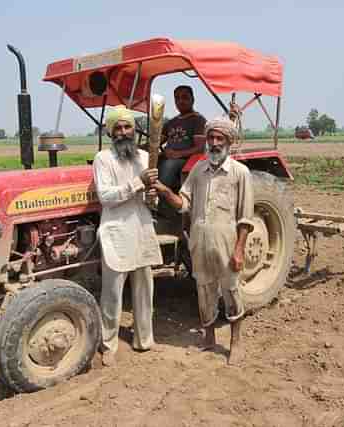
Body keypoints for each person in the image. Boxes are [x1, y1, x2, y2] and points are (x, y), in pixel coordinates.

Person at [153, 116, 254, 365]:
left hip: (227, 243)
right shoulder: (198, 170)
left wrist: (239, 251)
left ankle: (236, 343)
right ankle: (208, 337)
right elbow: (184, 203)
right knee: (204, 290)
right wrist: (165, 191)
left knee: (230, 291)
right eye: (211, 138)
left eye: (220, 138)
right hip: (200, 241)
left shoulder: (240, 173)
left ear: (229, 142)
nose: (214, 142)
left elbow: (246, 218)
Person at [93, 105, 163, 367]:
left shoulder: (145, 157)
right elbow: (106, 197)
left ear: (134, 130)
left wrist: (151, 195)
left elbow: (147, 199)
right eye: (118, 128)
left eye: (127, 127)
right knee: (112, 293)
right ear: (111, 133)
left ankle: (144, 339)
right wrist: (138, 183)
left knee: (145, 287)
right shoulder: (103, 159)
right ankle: (108, 344)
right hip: (116, 230)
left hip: (141, 226)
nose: (123, 132)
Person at [157, 85, 207, 217]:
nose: (181, 101)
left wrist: (177, 154)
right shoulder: (171, 122)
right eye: (177, 98)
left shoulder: (198, 120)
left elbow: (200, 148)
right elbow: (157, 142)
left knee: (168, 165)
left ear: (192, 99)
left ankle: (163, 208)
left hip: (187, 159)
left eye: (185, 97)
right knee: (146, 161)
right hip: (170, 156)